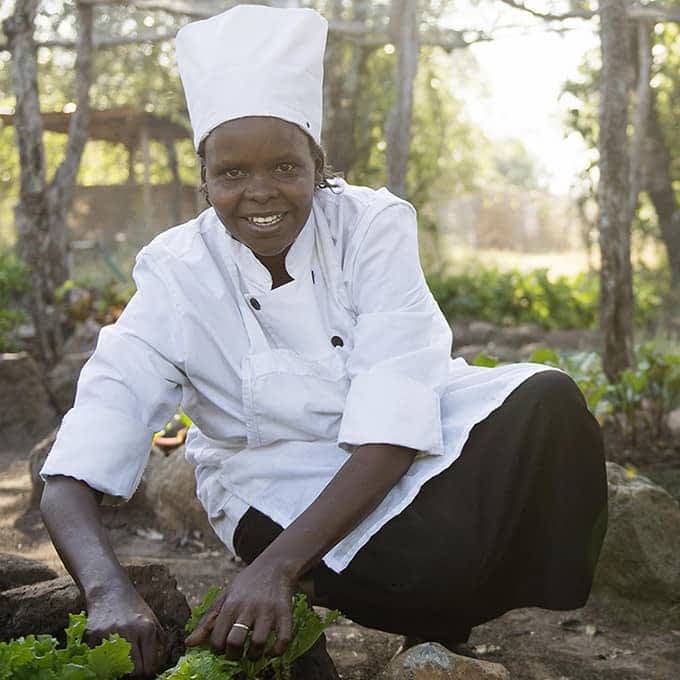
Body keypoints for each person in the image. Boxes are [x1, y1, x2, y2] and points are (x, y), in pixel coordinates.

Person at [39, 4, 608, 678]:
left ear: (319, 162)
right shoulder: (176, 274)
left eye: (284, 167)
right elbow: (77, 461)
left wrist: (277, 569)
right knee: (429, 569)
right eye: (231, 174)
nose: (259, 194)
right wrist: (106, 591)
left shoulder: (371, 225)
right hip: (269, 477)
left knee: (550, 399)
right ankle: (403, 603)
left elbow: (397, 416)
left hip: (399, 448)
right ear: (204, 179)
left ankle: (408, 599)